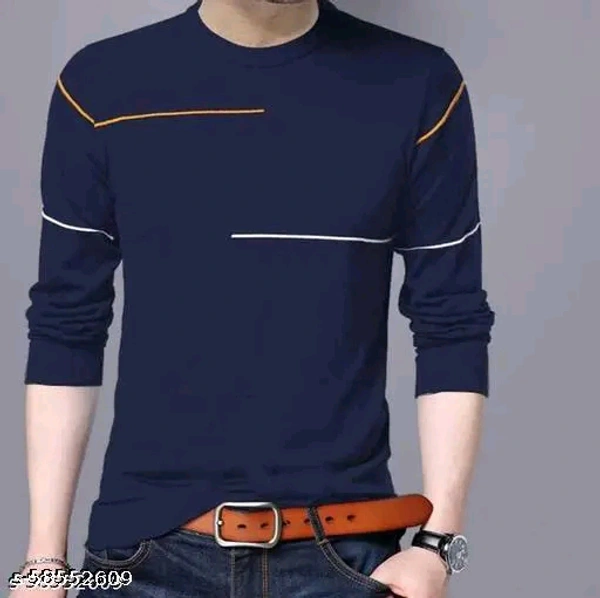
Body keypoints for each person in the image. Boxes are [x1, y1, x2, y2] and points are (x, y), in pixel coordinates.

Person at [11, 0, 495, 596]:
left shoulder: (419, 85)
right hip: (141, 563)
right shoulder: (100, 87)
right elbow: (66, 323)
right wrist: (43, 560)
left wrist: (440, 546)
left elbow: (452, 320)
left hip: (343, 561)